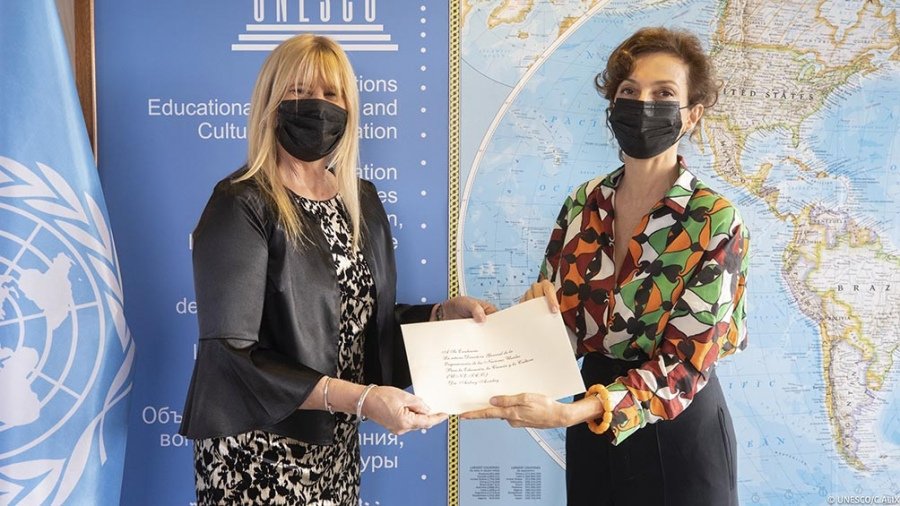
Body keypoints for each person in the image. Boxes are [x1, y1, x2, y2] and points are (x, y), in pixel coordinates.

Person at [179, 34, 495, 505]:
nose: (318, 105)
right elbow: (231, 354)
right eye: (299, 91)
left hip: (335, 448)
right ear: (271, 102)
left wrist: (442, 318)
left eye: (332, 93)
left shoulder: (360, 199)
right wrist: (362, 399)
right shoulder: (242, 202)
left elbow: (360, 326)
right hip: (255, 451)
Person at [462, 27, 749, 506]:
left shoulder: (716, 220)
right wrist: (529, 325)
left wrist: (576, 412)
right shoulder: (583, 203)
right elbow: (566, 331)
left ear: (692, 115)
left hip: (678, 436)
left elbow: (685, 365)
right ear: (613, 106)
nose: (643, 105)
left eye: (664, 94)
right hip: (592, 434)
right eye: (629, 92)